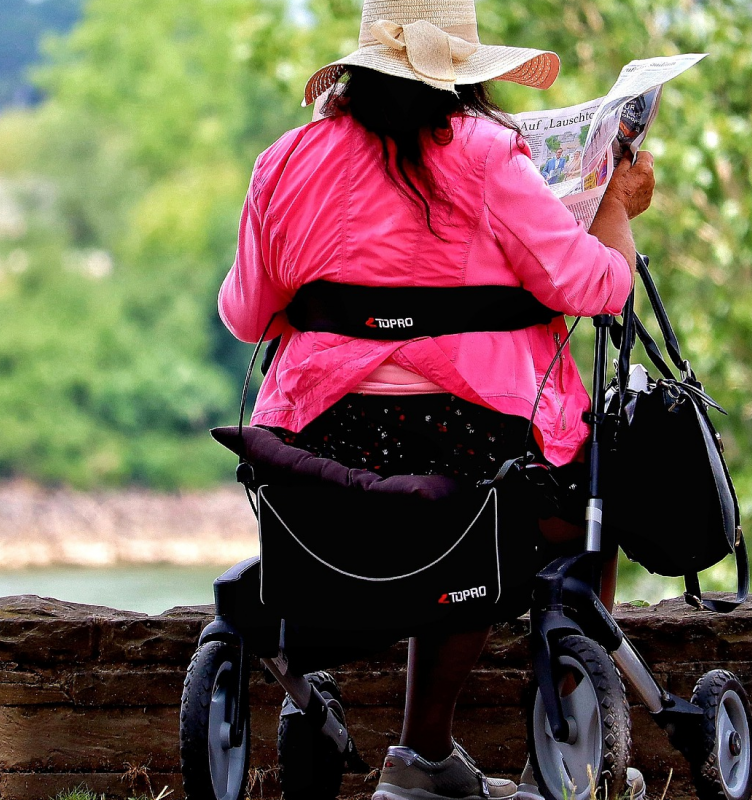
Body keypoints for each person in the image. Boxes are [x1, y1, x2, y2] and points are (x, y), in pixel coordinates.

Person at [219, 1, 655, 798]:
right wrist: (617, 208)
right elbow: (592, 286)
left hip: (320, 446)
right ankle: (531, 755)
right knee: (580, 513)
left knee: (446, 517)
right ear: (461, 76)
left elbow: (245, 313)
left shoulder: (284, 162)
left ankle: (419, 756)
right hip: (473, 452)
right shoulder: (490, 157)